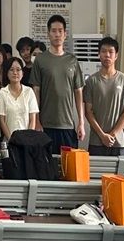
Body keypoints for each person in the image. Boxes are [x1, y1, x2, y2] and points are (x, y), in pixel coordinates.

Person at [30, 14, 85, 154]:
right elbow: (36, 92)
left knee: (68, 165)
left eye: (60, 31)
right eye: (53, 31)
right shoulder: (40, 60)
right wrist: (36, 121)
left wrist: (81, 122)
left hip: (67, 125)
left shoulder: (72, 60)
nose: (57, 34)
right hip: (45, 125)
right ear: (48, 34)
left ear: (65, 34)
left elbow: (78, 93)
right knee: (46, 164)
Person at [83, 37, 124, 156]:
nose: (107, 55)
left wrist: (112, 135)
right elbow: (88, 112)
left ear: (116, 55)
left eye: (111, 52)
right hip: (96, 142)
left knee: (119, 169)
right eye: (103, 51)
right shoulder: (91, 81)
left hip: (118, 143)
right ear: (99, 54)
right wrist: (102, 135)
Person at [0, 57, 39, 140]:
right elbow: (2, 121)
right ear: (7, 73)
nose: (15, 73)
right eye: (11, 70)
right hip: (9, 141)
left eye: (18, 69)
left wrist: (27, 139)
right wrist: (12, 141)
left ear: (22, 73)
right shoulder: (2, 92)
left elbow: (32, 119)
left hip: (27, 141)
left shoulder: (29, 91)